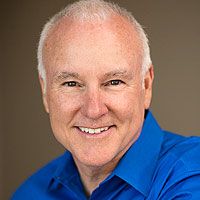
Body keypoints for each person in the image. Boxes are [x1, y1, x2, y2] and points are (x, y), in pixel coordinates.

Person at [12, 0, 200, 199]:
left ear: (146, 85)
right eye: (71, 84)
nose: (93, 110)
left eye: (114, 82)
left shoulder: (192, 175)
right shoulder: (29, 193)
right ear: (45, 92)